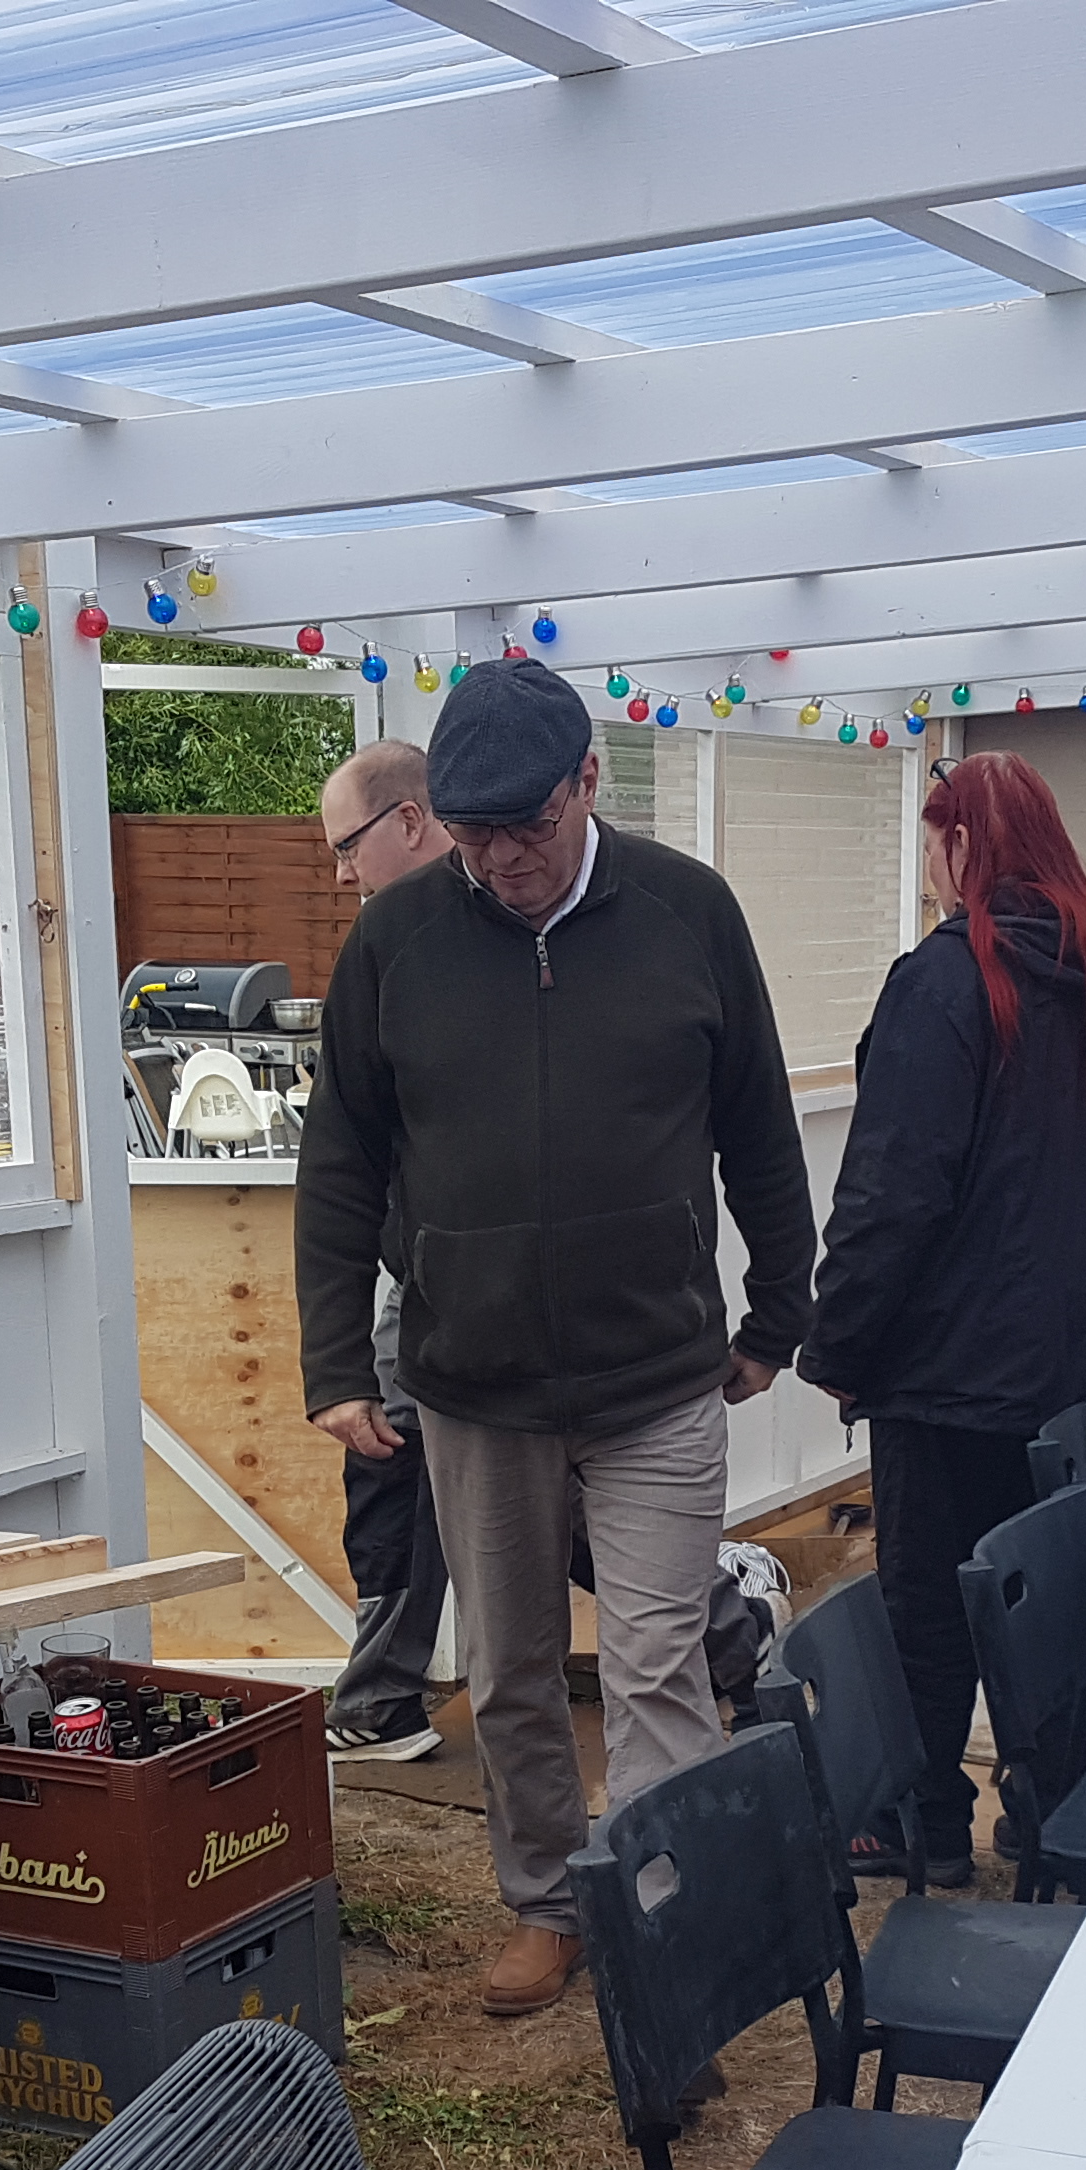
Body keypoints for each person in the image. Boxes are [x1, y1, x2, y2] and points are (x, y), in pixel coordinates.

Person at [297, 661, 815, 2017]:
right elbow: (341, 1159)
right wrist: (336, 1361)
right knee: (511, 1671)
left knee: (656, 1668)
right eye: (474, 834)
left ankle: (659, 1929)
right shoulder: (398, 939)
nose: (502, 860)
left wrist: (781, 1310)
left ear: (588, 781)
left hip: (657, 1377)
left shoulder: (689, 913)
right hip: (473, 1388)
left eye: (525, 825)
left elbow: (759, 1126)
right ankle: (547, 1905)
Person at [797, 750, 1086, 1887]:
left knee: (928, 1604)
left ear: (960, 843)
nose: (929, 861)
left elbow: (891, 1191)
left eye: (932, 838)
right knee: (1048, 1598)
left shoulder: (947, 981)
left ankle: (926, 1822)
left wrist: (839, 1343)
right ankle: (1053, 1814)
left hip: (953, 1375)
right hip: (1079, 1372)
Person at [313, 739, 456, 1764]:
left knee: (562, 1500)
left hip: (510, 1293)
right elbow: (342, 1160)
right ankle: (378, 1699)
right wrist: (336, 1365)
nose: (339, 874)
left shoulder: (479, 937)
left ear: (409, 821)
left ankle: (727, 1632)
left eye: (346, 846)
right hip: (422, 1278)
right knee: (393, 1467)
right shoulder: (377, 955)